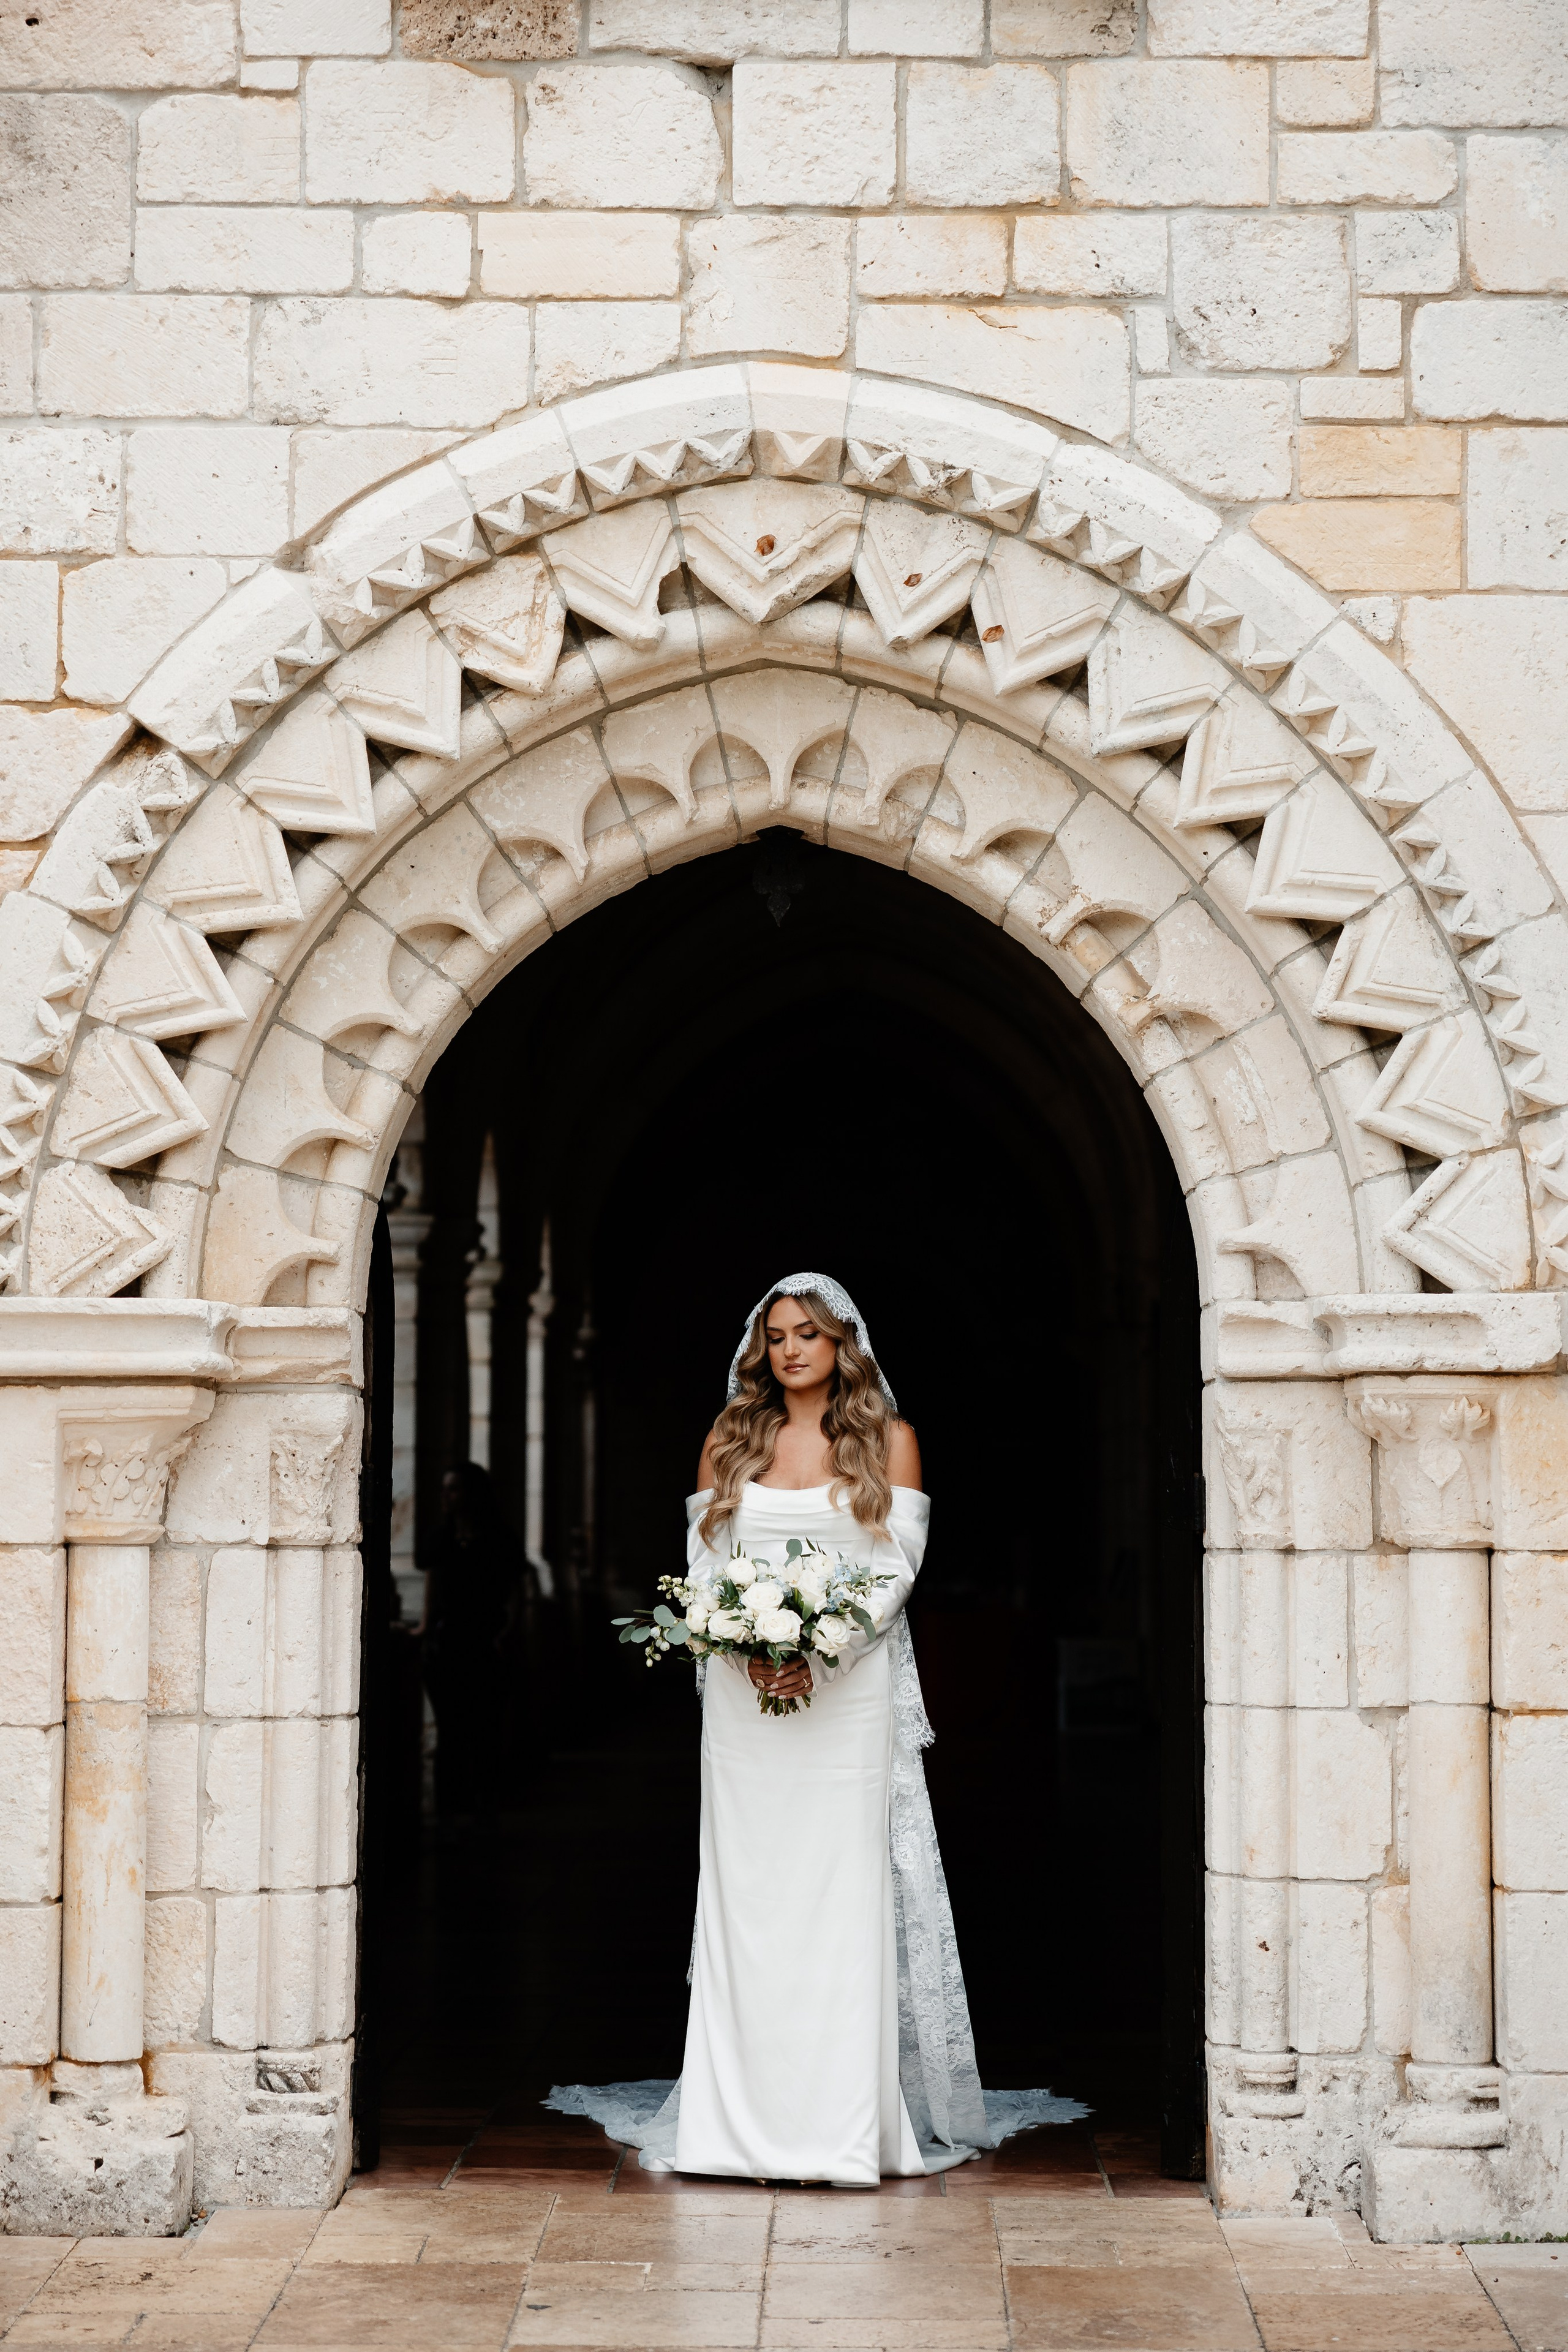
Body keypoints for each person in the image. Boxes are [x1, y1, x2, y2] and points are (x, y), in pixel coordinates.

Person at [548, 1273, 1077, 2184]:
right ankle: (732, 2121)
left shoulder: (890, 1440)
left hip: (848, 1701)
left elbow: (894, 1571)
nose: (790, 1349)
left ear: (843, 1346)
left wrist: (820, 1651)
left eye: (810, 1334)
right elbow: (703, 1569)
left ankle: (841, 2127)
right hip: (743, 1705)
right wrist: (745, 1644)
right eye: (777, 1335)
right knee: (748, 1895)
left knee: (839, 1896)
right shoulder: (728, 1439)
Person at [420, 1461, 525, 1830]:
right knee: (450, 1730)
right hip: (448, 1644)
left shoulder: (500, 1539)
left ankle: (485, 1807)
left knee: (485, 1730)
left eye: (455, 1489)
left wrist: (507, 1634)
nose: (447, 1497)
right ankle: (448, 1810)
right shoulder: (440, 1538)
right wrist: (424, 1628)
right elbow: (432, 1587)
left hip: (485, 1644)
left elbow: (515, 1594)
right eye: (445, 1489)